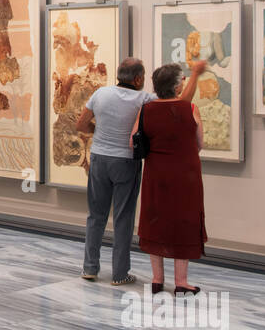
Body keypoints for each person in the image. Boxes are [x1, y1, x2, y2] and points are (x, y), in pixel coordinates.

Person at [77, 58, 205, 285]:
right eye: (143, 78)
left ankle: (89, 268)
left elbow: (81, 124)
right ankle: (119, 274)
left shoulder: (101, 94)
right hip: (125, 162)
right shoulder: (144, 99)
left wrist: (99, 131)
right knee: (123, 218)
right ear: (137, 79)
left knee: (95, 215)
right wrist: (195, 74)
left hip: (99, 158)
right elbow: (182, 103)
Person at [133, 63, 210, 295]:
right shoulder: (190, 109)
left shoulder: (145, 110)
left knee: (155, 218)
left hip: (156, 172)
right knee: (183, 221)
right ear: (177, 86)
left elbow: (133, 142)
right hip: (186, 173)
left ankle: (157, 279)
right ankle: (181, 282)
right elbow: (199, 144)